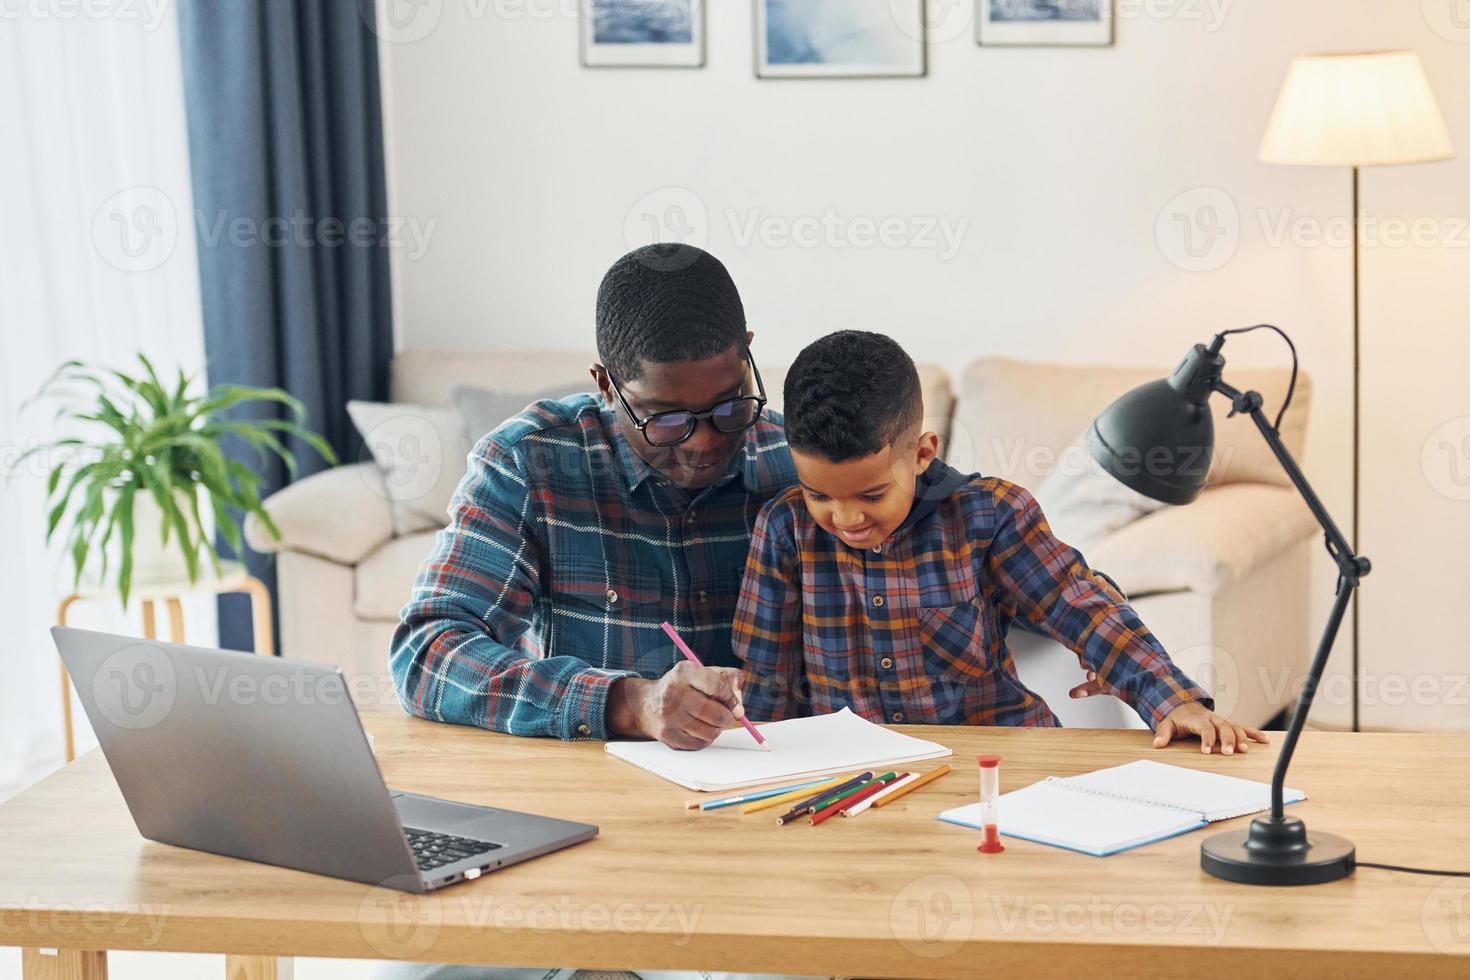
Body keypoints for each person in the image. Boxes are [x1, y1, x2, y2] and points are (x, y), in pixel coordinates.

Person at [733, 329, 1269, 754]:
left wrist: (1171, 699)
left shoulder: (989, 515)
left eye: (872, 495)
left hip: (999, 758)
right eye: (818, 493)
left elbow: (1081, 606)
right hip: (859, 774)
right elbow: (767, 682)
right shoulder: (785, 530)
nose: (846, 516)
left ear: (922, 454)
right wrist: (765, 762)